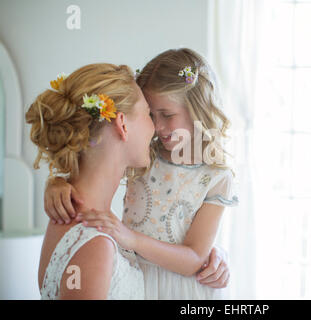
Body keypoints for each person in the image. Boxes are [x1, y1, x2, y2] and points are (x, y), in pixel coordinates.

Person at [44, 48, 238, 299]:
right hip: (136, 279)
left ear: (197, 108)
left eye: (167, 115)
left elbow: (194, 257)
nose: (157, 127)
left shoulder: (216, 178)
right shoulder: (148, 155)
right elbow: (94, 153)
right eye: (150, 114)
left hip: (183, 289)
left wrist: (128, 238)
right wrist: (57, 183)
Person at [27, 63, 154, 299]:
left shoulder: (81, 218)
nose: (155, 128)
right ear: (122, 124)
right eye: (149, 114)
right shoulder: (94, 242)